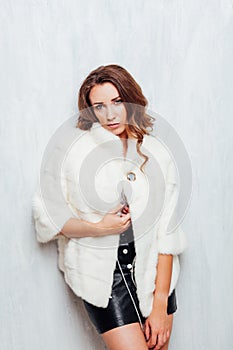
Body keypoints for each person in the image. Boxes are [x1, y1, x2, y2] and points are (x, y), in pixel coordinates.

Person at [32, 64, 188, 350]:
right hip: (104, 282)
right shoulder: (74, 152)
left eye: (117, 102)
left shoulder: (157, 154)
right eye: (99, 106)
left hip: (155, 279)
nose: (111, 114)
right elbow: (46, 216)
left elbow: (168, 234)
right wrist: (98, 227)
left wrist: (160, 303)